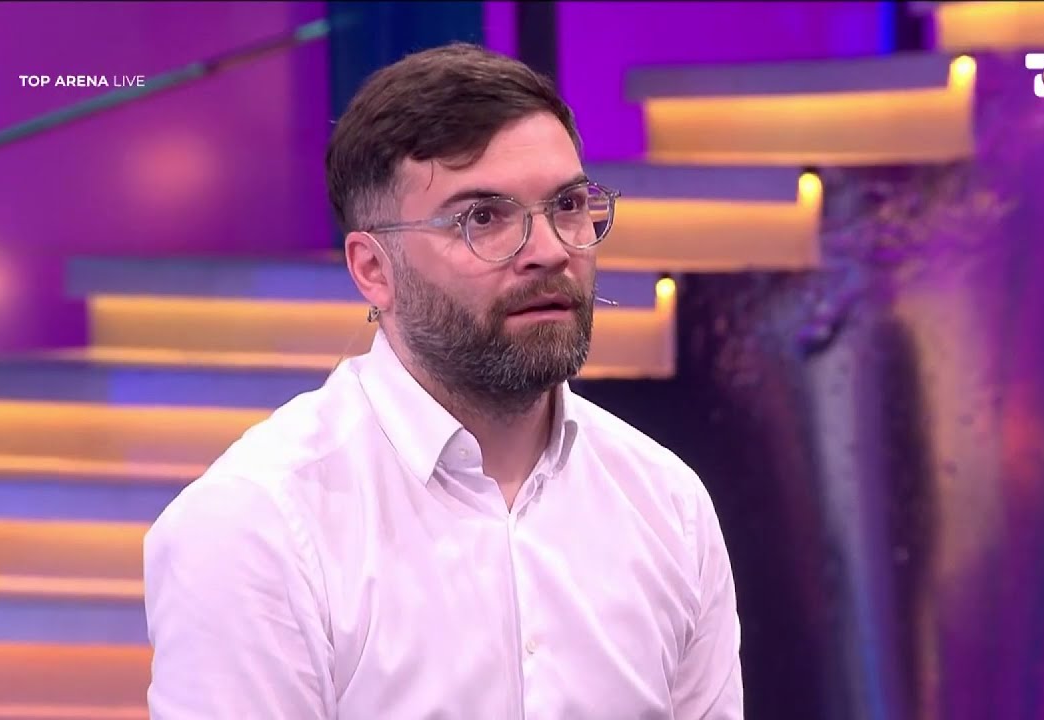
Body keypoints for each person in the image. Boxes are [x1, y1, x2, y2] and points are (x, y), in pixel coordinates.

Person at [143, 42, 743, 719]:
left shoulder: (668, 503)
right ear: (374, 270)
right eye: (483, 218)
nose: (550, 251)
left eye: (569, 205)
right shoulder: (256, 527)